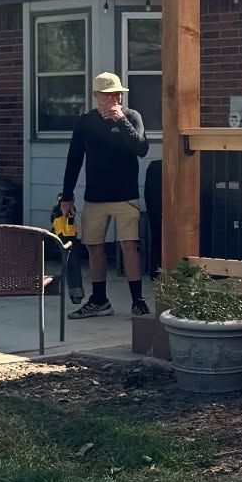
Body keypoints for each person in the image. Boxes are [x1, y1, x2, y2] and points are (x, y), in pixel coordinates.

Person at [59, 72, 151, 317]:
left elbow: (141, 149)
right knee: (94, 247)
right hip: (95, 197)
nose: (114, 98)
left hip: (125, 195)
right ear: (96, 96)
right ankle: (99, 300)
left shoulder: (132, 117)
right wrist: (67, 195)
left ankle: (138, 300)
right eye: (108, 94)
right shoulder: (86, 122)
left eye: (118, 93)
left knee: (130, 246)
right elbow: (74, 159)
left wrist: (121, 121)